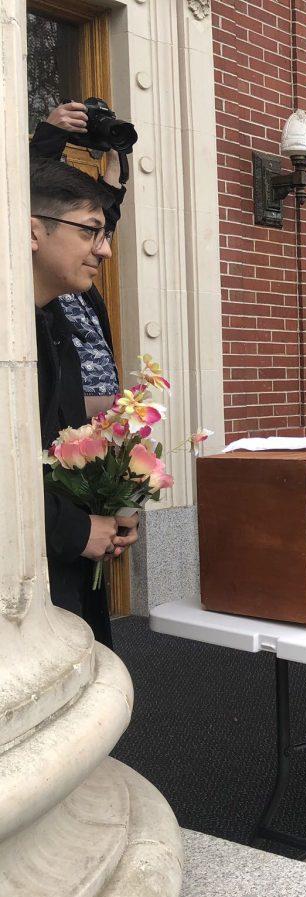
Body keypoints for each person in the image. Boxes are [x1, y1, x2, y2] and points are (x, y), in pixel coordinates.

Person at [31, 158, 139, 647]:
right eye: (90, 231)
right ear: (34, 231)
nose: (107, 251)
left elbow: (66, 442)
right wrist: (74, 530)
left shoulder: (58, 324)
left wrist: (114, 503)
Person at [31, 101, 126, 419]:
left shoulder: (78, 275)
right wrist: (50, 136)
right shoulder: (47, 281)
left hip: (92, 447)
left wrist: (115, 170)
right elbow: (33, 195)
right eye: (88, 232)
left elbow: (95, 223)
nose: (103, 251)